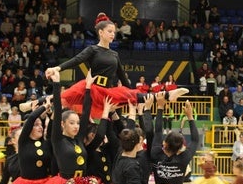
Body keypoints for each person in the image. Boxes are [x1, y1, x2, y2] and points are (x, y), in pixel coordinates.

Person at [44, 13, 188, 118]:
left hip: (107, 91)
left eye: (114, 31)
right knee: (63, 96)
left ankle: (169, 95)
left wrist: (132, 95)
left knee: (130, 95)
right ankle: (37, 103)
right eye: (110, 31)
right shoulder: (92, 49)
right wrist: (57, 68)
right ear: (101, 32)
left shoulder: (114, 54)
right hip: (91, 88)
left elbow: (122, 77)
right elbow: (76, 59)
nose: (113, 34)